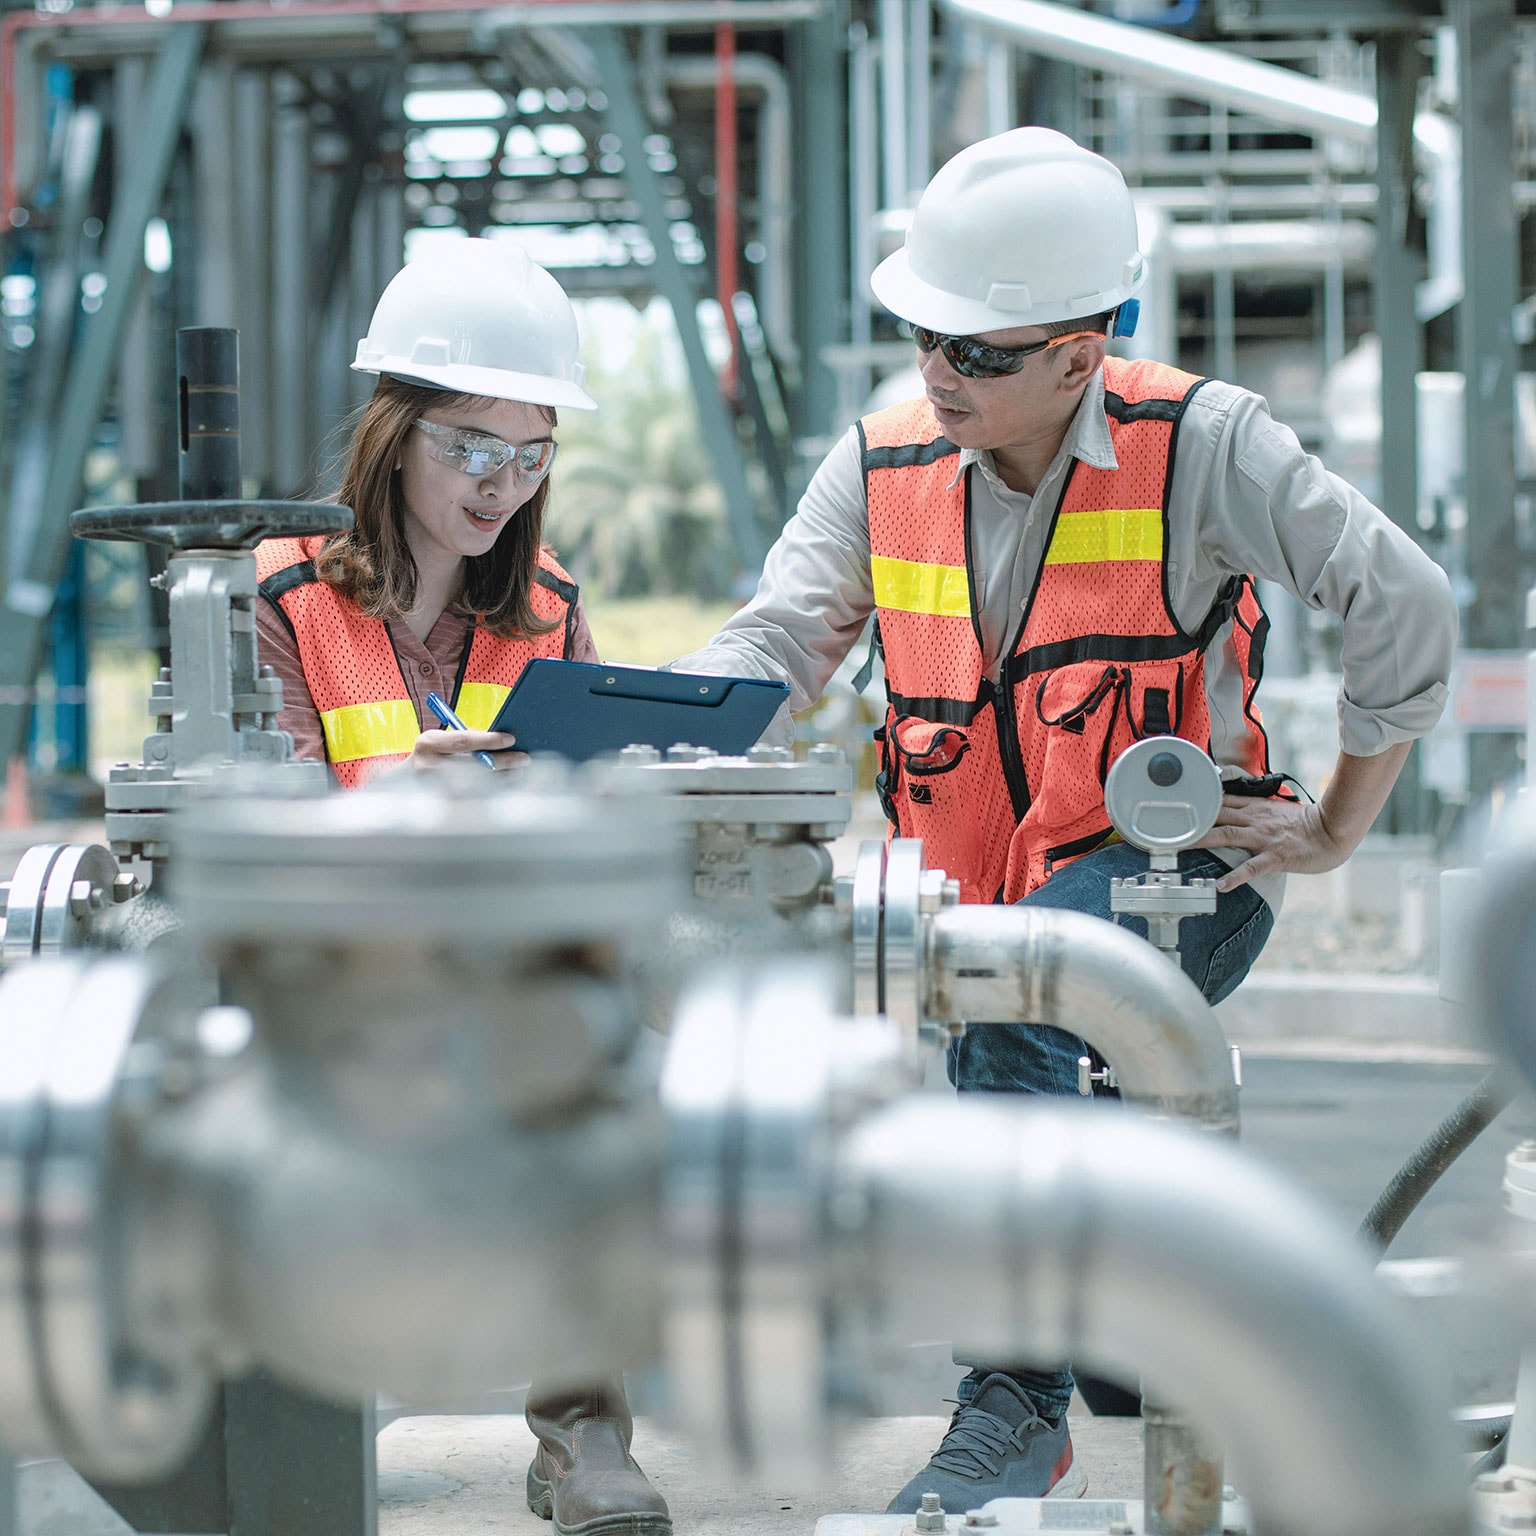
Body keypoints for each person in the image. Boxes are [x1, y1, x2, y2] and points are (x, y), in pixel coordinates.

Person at [672, 127, 1457, 1511]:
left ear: (1082, 353)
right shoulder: (880, 466)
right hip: (978, 901)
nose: (936, 374)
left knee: (1020, 1000)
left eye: (978, 352)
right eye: (924, 337)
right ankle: (1148, 1346)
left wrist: (1338, 824)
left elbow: (1406, 604)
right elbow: (776, 642)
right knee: (1029, 1032)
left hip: (1178, 874)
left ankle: (1010, 1405)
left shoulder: (1205, 444)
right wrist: (627, 719)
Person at [255, 238, 672, 1536]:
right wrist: (398, 802)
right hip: (335, 975)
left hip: (505, 967)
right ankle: (293, 1423)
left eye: (529, 450)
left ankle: (587, 1430)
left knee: (606, 1079)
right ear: (392, 436)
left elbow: (598, 800)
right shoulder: (280, 595)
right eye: (469, 449)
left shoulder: (547, 608)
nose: (501, 484)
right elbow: (253, 829)